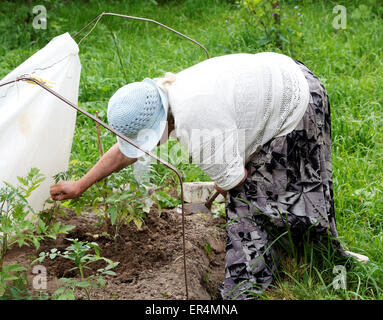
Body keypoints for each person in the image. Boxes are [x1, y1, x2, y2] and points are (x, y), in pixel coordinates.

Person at [50, 52, 364, 300]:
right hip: (288, 76)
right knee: (278, 189)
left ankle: (248, 287)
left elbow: (237, 185)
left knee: (253, 203)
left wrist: (226, 180)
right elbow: (125, 150)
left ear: (158, 127)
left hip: (297, 103)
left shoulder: (195, 123)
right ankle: (310, 251)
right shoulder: (169, 92)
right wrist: (80, 185)